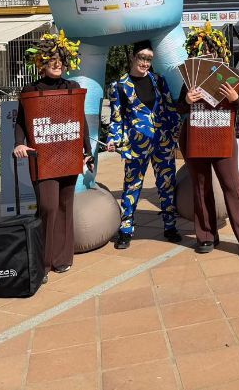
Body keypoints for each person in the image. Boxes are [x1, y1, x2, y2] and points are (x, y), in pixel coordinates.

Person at [14, 30, 92, 279]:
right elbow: (20, 121)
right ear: (42, 62)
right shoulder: (30, 89)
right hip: (43, 158)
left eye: (60, 59)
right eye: (51, 59)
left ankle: (62, 258)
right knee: (47, 207)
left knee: (65, 206)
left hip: (69, 156)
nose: (57, 64)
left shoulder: (73, 88)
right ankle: (42, 262)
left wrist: (88, 152)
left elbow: (81, 122)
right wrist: (19, 144)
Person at [178, 23, 239, 260]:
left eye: (212, 51)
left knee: (232, 185)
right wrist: (186, 99)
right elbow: (178, 106)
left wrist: (235, 98)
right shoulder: (190, 78)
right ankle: (206, 235)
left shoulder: (230, 75)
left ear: (220, 52)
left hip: (223, 136)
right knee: (200, 185)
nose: (208, 56)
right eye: (202, 52)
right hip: (195, 135)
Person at [106, 41, 182, 249]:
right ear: (133, 57)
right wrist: (113, 138)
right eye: (142, 58)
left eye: (149, 59)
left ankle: (170, 225)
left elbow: (170, 109)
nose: (146, 63)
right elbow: (117, 117)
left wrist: (175, 133)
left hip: (163, 141)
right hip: (135, 145)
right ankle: (126, 230)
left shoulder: (159, 81)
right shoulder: (119, 86)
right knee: (131, 186)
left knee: (167, 184)